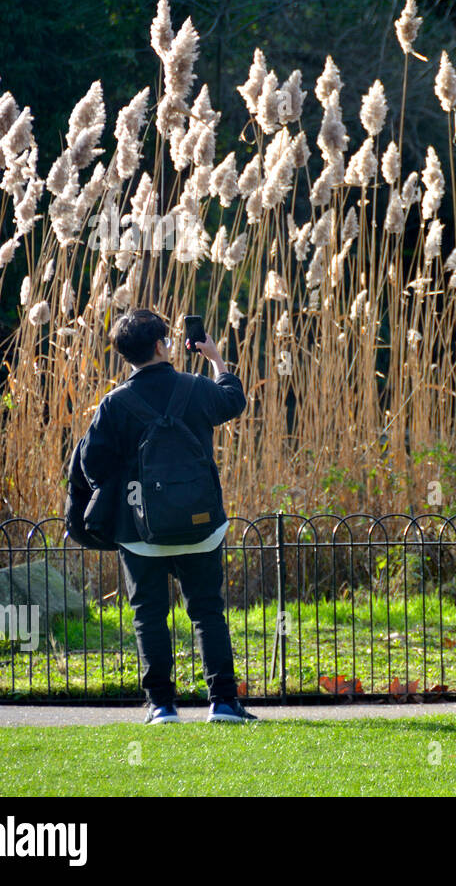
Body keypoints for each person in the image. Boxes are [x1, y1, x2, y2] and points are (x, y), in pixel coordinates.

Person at [78, 308, 256, 724]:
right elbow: (233, 400)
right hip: (200, 528)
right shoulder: (195, 388)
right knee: (207, 611)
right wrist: (215, 359)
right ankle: (224, 703)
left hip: (139, 532)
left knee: (149, 614)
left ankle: (162, 706)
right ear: (160, 345)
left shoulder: (114, 403)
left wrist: (130, 491)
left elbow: (92, 463)